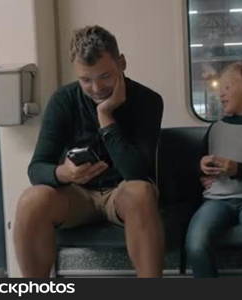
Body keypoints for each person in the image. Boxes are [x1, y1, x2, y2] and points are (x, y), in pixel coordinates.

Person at [13, 25, 165, 278]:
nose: (96, 88)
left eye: (105, 76)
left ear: (122, 63)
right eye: (86, 80)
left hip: (122, 194)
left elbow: (136, 171)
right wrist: (65, 173)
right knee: (31, 200)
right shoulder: (63, 99)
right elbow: (37, 168)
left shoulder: (148, 100)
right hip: (77, 196)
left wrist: (105, 115)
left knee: (141, 191)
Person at [185, 62, 242, 278]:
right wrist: (200, 168)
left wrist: (238, 170)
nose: (221, 93)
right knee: (195, 245)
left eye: (227, 87)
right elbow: (197, 164)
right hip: (215, 200)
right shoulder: (215, 128)